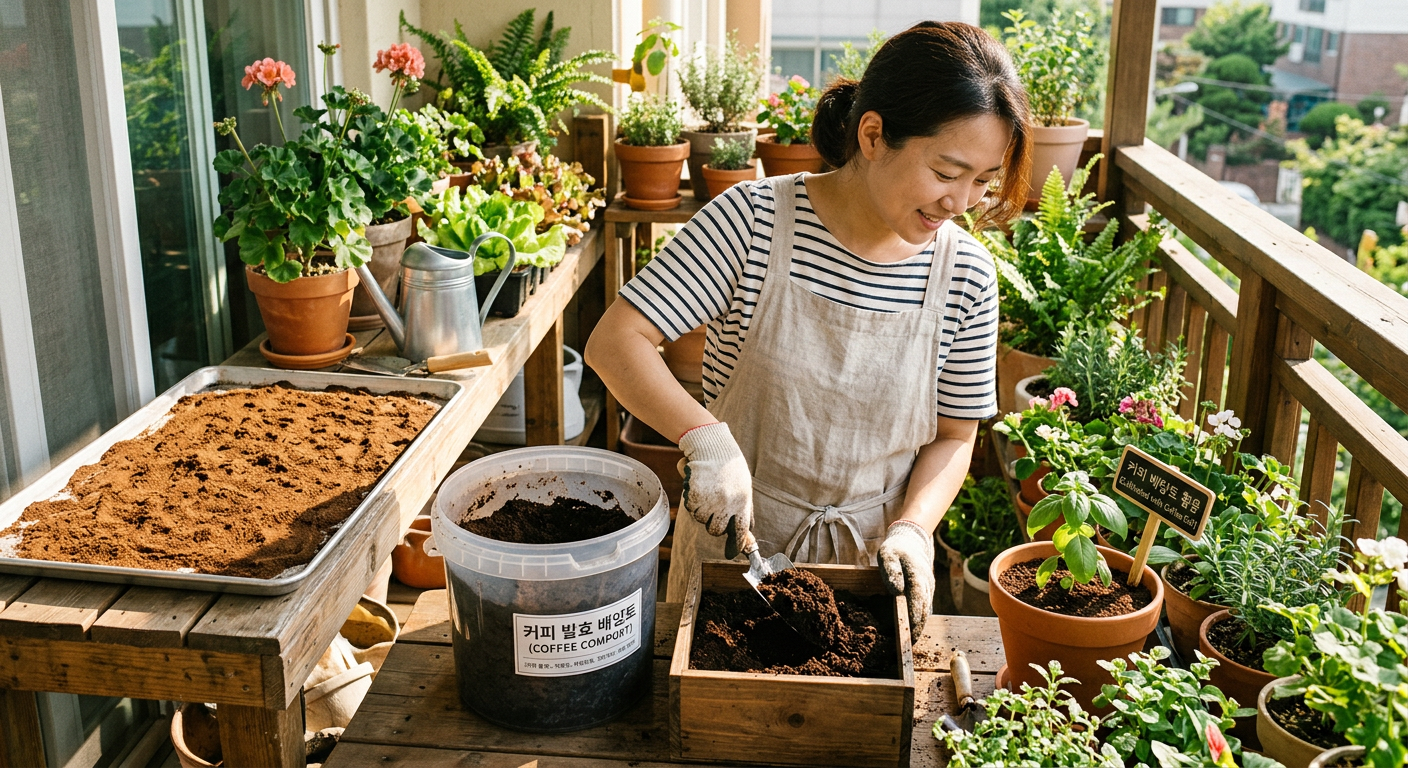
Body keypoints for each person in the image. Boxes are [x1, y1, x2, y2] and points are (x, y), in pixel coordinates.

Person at [585, 21, 1031, 641]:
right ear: (873, 134)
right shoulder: (753, 221)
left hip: (871, 575)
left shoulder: (967, 276)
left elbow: (956, 436)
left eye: (983, 182)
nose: (961, 202)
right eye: (946, 171)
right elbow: (615, 341)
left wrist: (914, 529)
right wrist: (704, 440)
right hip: (735, 550)